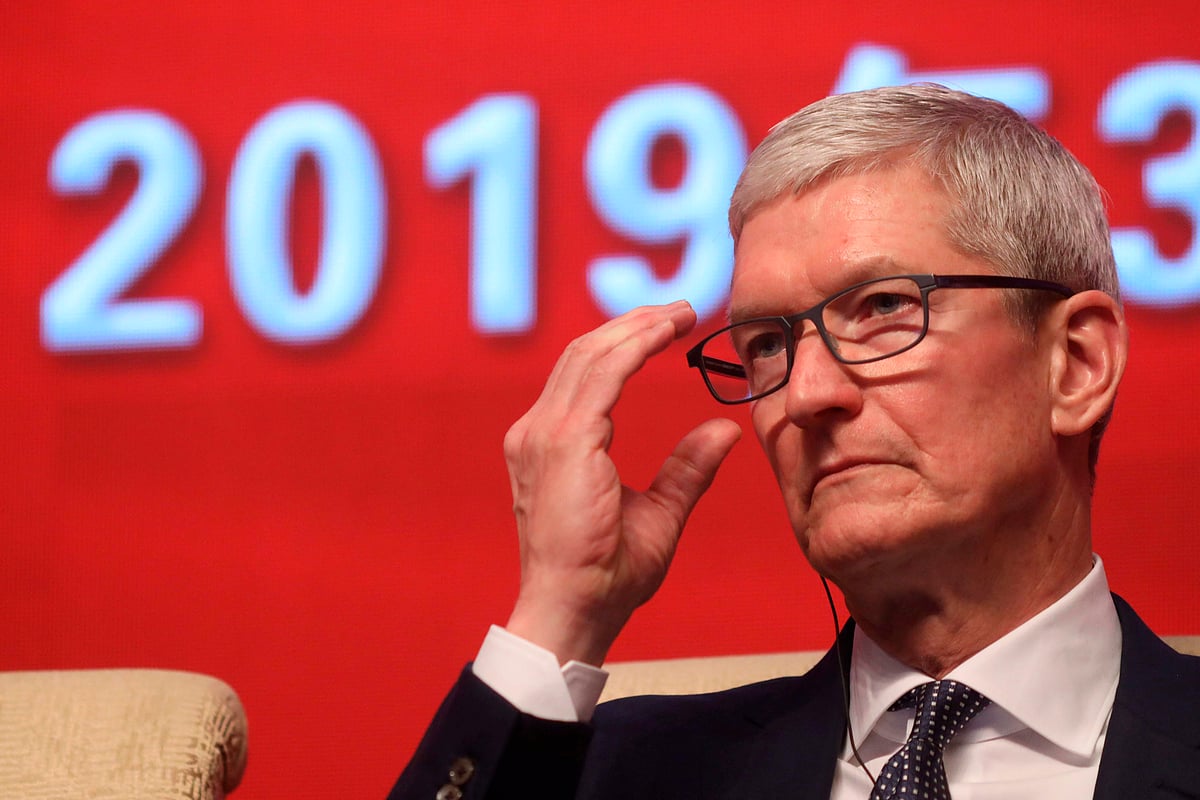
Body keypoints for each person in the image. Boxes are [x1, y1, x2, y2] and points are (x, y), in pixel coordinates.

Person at [389, 85, 1200, 799]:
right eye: (769, 344)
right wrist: (560, 612)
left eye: (884, 308)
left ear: (1077, 363)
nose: (806, 394)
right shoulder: (621, 772)